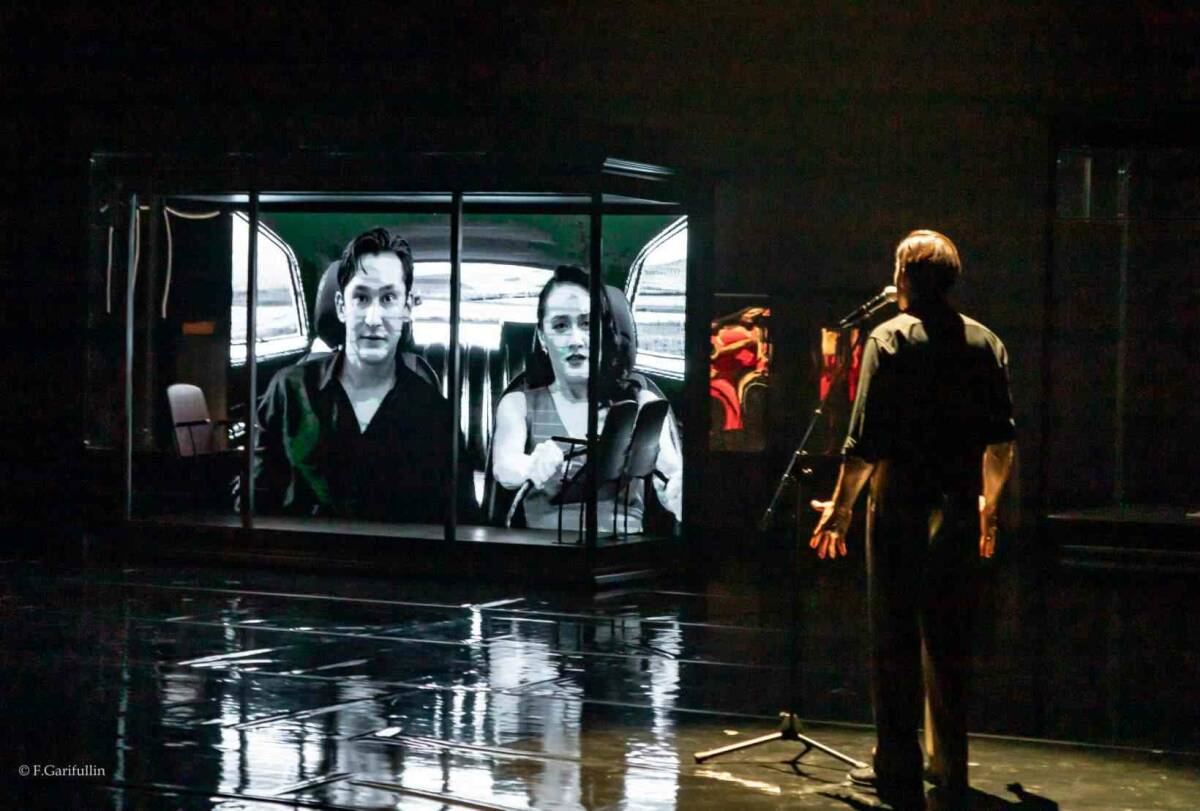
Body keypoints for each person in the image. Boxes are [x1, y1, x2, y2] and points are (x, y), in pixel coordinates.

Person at [809, 230, 1016, 809]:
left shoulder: (890, 338)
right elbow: (1001, 443)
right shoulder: (985, 342)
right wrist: (990, 508)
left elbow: (865, 441)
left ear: (905, 276)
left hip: (900, 500)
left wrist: (841, 509)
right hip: (959, 502)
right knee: (948, 639)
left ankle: (896, 767)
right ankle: (950, 767)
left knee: (894, 636)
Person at [255, 227, 474, 523]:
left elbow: (460, 524)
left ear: (407, 307)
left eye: (388, 298)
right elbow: (252, 506)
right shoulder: (288, 392)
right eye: (361, 298)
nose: (373, 319)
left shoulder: (437, 417)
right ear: (341, 307)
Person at [491, 265, 682, 533]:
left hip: (623, 554)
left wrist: (676, 492)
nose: (576, 340)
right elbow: (505, 466)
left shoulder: (642, 403)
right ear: (542, 337)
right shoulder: (518, 403)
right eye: (560, 326)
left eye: (587, 324)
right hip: (545, 551)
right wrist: (530, 465)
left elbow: (672, 473)